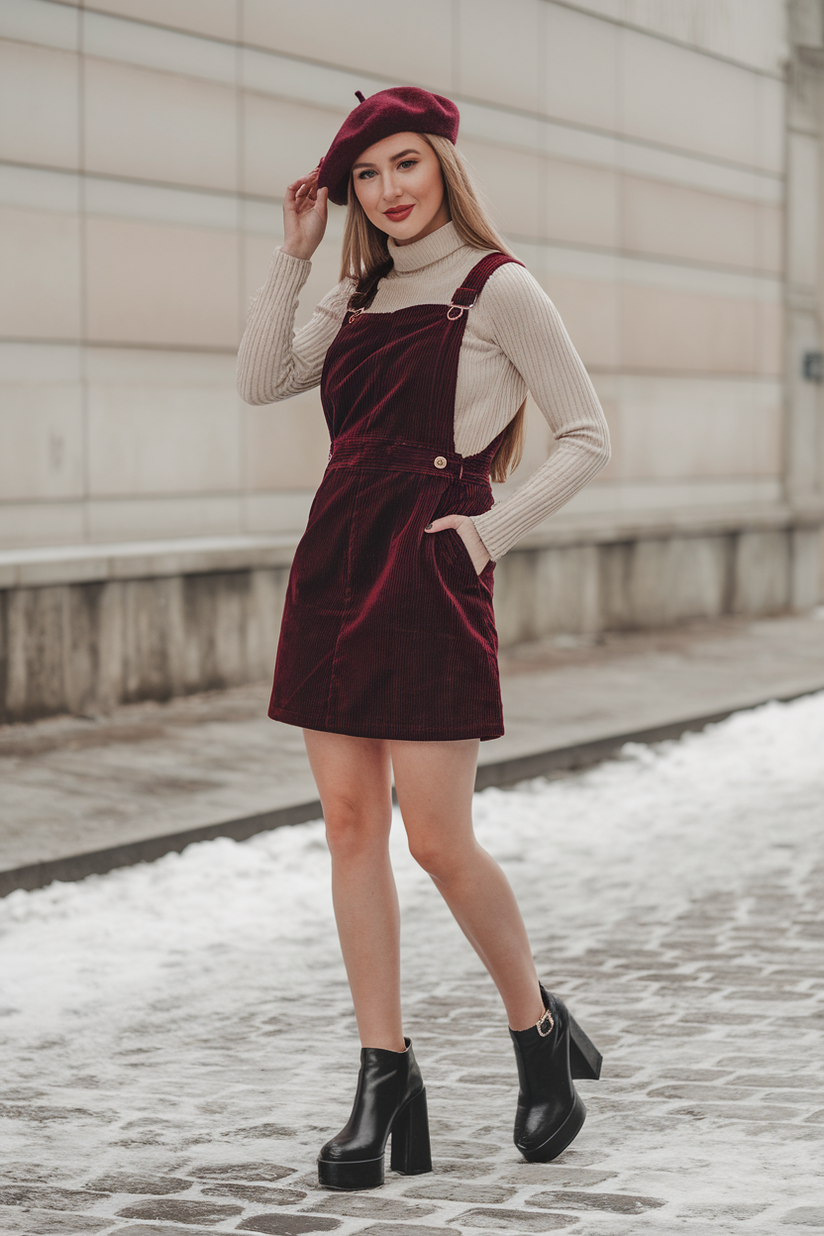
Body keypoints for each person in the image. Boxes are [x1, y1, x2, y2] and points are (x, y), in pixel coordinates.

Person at [237, 86, 609, 1191]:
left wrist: (485, 538)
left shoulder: (502, 288)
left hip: (430, 569)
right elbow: (261, 380)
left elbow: (585, 435)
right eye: (365, 175)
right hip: (335, 565)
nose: (388, 191)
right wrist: (296, 253)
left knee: (438, 841)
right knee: (350, 828)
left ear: (441, 165)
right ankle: (383, 1076)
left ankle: (535, 1034)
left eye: (405, 164)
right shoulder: (352, 292)